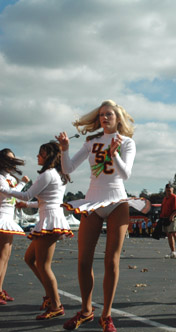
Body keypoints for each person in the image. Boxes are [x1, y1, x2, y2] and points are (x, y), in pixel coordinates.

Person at [56, 100, 150, 332]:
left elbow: (125, 174)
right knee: (83, 260)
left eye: (109, 114)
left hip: (117, 200)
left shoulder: (127, 142)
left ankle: (106, 315)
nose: (104, 118)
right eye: (101, 115)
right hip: (92, 201)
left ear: (118, 118)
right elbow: (68, 169)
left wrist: (114, 153)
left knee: (111, 260)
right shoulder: (91, 142)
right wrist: (65, 149)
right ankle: (86, 310)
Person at [0, 142, 73, 320]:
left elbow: (26, 194)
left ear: (47, 156)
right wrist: (28, 204)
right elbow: (47, 200)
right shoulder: (58, 174)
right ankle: (50, 296)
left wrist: (4, 189)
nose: (37, 157)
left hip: (49, 221)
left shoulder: (47, 174)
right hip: (50, 218)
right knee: (29, 259)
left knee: (43, 265)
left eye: (40, 154)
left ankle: (55, 304)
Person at [0, 148, 28, 306]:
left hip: (9, 217)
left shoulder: (10, 177)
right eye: (9, 159)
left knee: (6, 256)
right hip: (1, 217)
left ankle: (0, 289)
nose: (12, 162)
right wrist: (23, 183)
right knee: (2, 256)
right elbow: (8, 192)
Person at [160, 183, 176, 259]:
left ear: (172, 190)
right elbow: (163, 209)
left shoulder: (174, 197)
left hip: (173, 218)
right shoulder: (165, 198)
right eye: (167, 190)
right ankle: (173, 252)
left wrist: (172, 216)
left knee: (175, 234)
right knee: (169, 235)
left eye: (170, 190)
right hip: (166, 218)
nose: (168, 192)